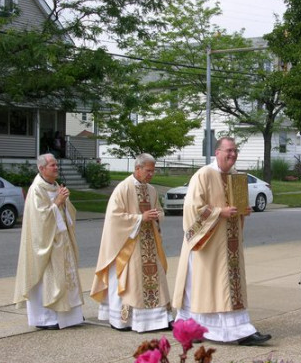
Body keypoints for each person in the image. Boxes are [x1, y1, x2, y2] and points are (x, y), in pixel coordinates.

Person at [172, 137, 271, 346]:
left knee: (227, 288)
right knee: (210, 289)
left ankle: (239, 330)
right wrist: (220, 212)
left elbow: (237, 205)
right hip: (208, 244)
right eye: (229, 151)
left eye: (235, 151)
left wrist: (244, 211)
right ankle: (205, 329)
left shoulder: (236, 176)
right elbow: (192, 209)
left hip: (229, 244)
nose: (233, 155)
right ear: (217, 152)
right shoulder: (203, 175)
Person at [91, 153, 173, 332]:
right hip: (130, 244)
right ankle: (124, 321)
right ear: (138, 168)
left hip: (150, 243)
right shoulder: (123, 188)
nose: (151, 174)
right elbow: (114, 217)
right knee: (131, 281)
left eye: (153, 171)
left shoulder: (151, 190)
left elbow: (159, 210)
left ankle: (158, 319)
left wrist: (157, 216)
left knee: (156, 278)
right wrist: (139, 218)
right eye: (148, 170)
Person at [14, 153, 84, 330]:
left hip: (61, 240)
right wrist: (58, 202)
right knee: (48, 279)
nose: (56, 167)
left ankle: (69, 316)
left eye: (56, 164)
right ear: (41, 168)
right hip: (46, 243)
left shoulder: (55, 185)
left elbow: (66, 212)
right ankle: (47, 318)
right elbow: (39, 219)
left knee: (66, 277)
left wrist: (65, 202)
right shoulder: (37, 189)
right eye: (52, 165)